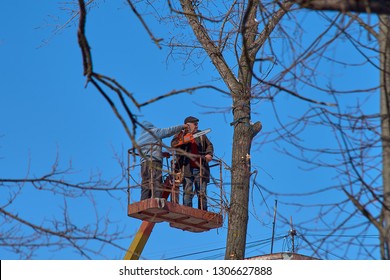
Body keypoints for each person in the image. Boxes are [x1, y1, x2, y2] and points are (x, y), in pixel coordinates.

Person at [137, 120, 189, 200]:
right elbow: (168, 131)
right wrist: (182, 126)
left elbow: (147, 152)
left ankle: (144, 200)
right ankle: (157, 198)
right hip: (154, 162)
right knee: (156, 180)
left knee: (146, 182)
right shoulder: (153, 132)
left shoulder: (140, 139)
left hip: (143, 163)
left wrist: (161, 154)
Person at [171, 116, 214, 211]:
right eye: (195, 124)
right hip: (186, 168)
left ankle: (203, 211)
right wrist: (184, 140)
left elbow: (209, 145)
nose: (197, 126)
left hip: (200, 168)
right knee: (188, 192)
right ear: (187, 125)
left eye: (197, 124)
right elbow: (173, 144)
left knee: (202, 192)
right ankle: (187, 210)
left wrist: (209, 154)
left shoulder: (201, 135)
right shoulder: (180, 135)